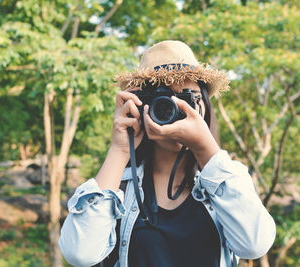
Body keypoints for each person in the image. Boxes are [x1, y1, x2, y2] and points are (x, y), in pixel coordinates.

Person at [58, 40, 276, 267]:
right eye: (162, 99)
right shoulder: (118, 186)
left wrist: (205, 147)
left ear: (205, 107)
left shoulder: (227, 181)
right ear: (140, 105)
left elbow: (255, 245)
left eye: (188, 98)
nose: (174, 108)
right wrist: (120, 149)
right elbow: (79, 255)